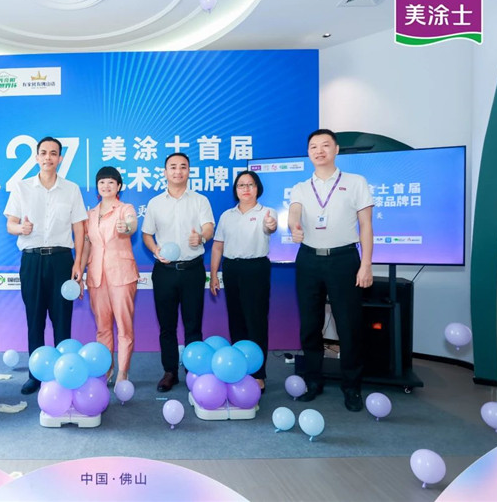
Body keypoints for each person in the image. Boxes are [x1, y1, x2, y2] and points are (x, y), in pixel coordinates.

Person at [288, 129, 374, 412]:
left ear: (336, 150)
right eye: (313, 146)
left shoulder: (356, 182)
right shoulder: (301, 187)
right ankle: (313, 382)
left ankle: (352, 387)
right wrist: (293, 226)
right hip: (309, 259)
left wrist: (366, 264)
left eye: (325, 145)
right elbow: (294, 212)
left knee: (349, 325)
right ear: (308, 153)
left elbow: (366, 225)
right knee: (309, 325)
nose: (319, 150)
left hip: (344, 259)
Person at [4, 136, 88, 395]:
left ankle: (63, 373)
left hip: (62, 260)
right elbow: (10, 224)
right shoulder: (22, 187)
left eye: (53, 153)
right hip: (32, 260)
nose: (48, 157)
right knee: (35, 319)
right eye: (44, 153)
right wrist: (21, 228)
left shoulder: (71, 189)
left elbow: (79, 229)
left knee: (62, 319)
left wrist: (78, 263)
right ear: (37, 157)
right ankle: (36, 374)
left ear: (60, 158)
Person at [142, 153, 214, 392]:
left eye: (183, 167)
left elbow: (209, 227)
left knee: (193, 324)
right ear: (165, 172)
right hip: (164, 271)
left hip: (192, 269)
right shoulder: (155, 203)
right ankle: (170, 371)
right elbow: (147, 234)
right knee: (167, 325)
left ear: (189, 171)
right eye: (172, 167)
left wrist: (201, 237)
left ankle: (194, 370)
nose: (178, 171)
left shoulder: (200, 200)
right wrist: (155, 249)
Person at [210, 170, 277, 391]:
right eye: (241, 185)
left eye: (250, 184)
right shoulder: (227, 215)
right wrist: (214, 275)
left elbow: (270, 227)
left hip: (256, 269)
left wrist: (270, 224)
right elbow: (218, 246)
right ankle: (240, 369)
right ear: (236, 190)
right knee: (236, 320)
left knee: (256, 321)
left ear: (257, 188)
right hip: (232, 269)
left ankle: (258, 374)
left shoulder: (266, 212)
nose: (246, 189)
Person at [80, 166, 139, 388]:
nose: (106, 186)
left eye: (111, 182)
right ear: (97, 186)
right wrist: (80, 269)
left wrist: (126, 227)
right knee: (102, 327)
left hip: (122, 275)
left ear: (119, 186)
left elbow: (131, 225)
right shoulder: (90, 214)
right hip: (96, 276)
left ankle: (123, 371)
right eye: (102, 182)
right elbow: (87, 245)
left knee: (124, 326)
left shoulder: (125, 209)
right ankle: (106, 369)